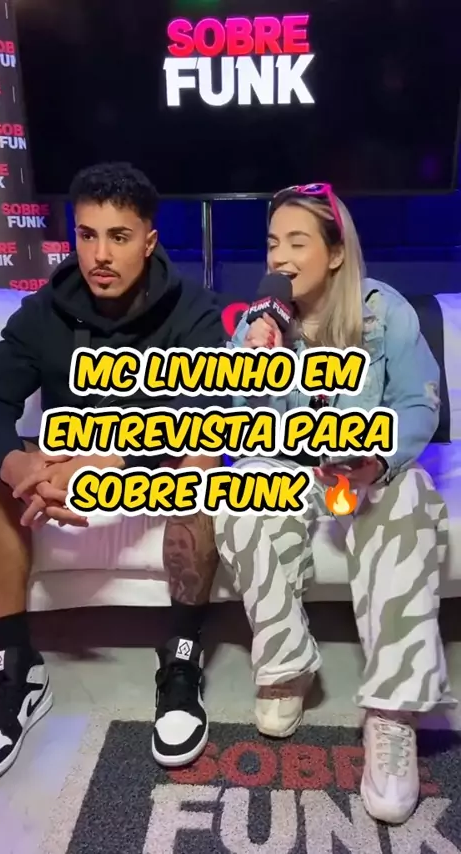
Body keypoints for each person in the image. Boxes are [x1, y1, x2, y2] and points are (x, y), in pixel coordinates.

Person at [214, 183, 455, 825]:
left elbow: (418, 405)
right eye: (273, 243)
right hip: (291, 470)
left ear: (336, 251)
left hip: (364, 468)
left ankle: (392, 714)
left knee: (410, 491)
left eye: (298, 242)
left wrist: (377, 457)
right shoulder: (258, 322)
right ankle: (287, 666)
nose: (281, 256)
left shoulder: (385, 311)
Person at [0, 162, 224, 783]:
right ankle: (14, 669)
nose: (100, 255)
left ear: (149, 240)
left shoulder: (192, 310)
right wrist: (20, 464)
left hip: (147, 474)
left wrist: (108, 464)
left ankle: (180, 658)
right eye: (87, 235)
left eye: (119, 237)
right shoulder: (46, 311)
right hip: (57, 479)